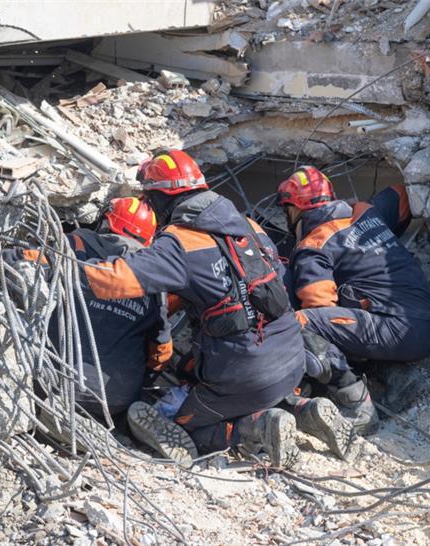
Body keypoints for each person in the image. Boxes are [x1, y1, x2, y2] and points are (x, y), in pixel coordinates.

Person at [80, 150, 347, 467]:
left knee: (171, 420)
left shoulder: (178, 243)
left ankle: (256, 428)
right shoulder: (247, 225)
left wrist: (62, 266)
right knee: (217, 374)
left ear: (161, 197)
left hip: (245, 371)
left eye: (149, 199)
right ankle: (304, 410)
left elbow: (117, 279)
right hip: (291, 357)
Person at [6, 197, 197, 463]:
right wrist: (146, 380)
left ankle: (56, 419)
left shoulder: (78, 243)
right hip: (117, 397)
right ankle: (126, 427)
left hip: (58, 380)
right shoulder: (154, 281)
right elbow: (161, 352)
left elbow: (23, 262)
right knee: (122, 398)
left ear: (107, 221)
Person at [277, 166, 430, 434]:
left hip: (398, 332)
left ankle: (356, 404)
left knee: (300, 323)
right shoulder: (367, 213)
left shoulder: (314, 245)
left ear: (294, 209)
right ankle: (386, 374)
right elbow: (400, 196)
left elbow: (319, 310)